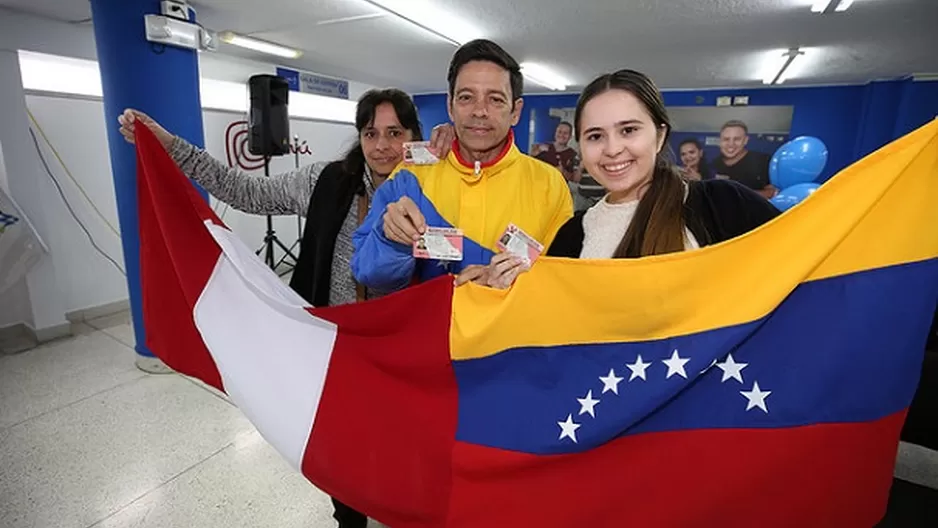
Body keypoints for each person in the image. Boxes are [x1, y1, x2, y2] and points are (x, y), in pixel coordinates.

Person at [118, 88, 454, 528]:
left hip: (404, 352)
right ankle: (348, 518)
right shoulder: (326, 180)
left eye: (395, 132)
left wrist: (454, 142)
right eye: (371, 133)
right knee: (343, 450)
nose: (383, 146)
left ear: (414, 135)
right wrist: (170, 146)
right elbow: (244, 191)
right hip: (337, 349)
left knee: (401, 446)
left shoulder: (437, 182)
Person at [474, 69, 780, 288]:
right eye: (595, 136)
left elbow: (804, 261)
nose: (612, 149)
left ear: (659, 136)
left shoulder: (723, 204)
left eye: (629, 130)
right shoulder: (572, 235)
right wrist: (509, 290)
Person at [351, 39, 573, 292]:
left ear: (516, 111)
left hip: (511, 329)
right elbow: (369, 275)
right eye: (466, 97)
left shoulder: (548, 184)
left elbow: (561, 279)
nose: (479, 111)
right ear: (450, 106)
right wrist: (390, 240)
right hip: (431, 328)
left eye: (496, 99)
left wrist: (512, 285)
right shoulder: (410, 176)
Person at [710, 120, 776, 199]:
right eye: (726, 139)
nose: (731, 144)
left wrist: (740, 195)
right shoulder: (715, 163)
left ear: (745, 140)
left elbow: (773, 192)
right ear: (720, 141)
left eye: (737, 139)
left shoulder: (762, 161)